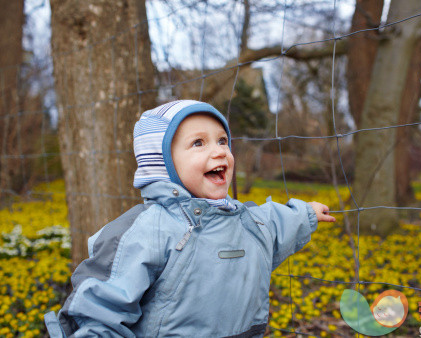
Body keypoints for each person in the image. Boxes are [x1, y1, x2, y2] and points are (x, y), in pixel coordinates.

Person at [44, 100, 336, 337]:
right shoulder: (149, 230)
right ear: (163, 162)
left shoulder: (249, 221)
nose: (219, 150)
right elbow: (101, 308)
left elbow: (276, 223)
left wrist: (306, 213)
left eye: (223, 140)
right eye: (199, 143)